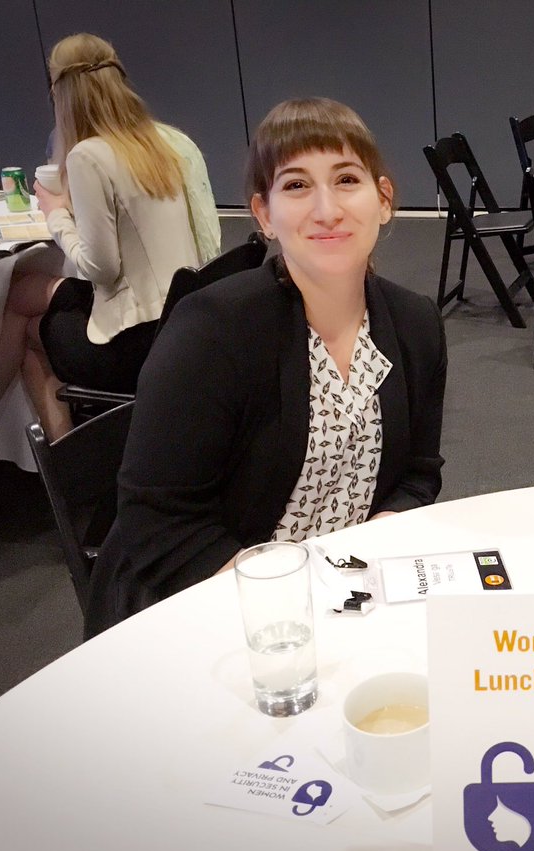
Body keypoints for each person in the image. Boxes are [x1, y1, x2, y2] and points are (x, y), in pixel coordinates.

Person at [87, 98, 447, 636]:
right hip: (206, 604)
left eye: (347, 179)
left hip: (342, 598)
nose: (327, 209)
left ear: (384, 200)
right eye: (297, 185)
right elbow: (159, 522)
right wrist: (289, 605)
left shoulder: (416, 324)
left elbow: (418, 474)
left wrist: (373, 552)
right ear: (264, 215)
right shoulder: (212, 331)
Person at [0, 32, 219, 440]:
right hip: (180, 320)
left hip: (136, 343)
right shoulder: (160, 141)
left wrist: (56, 215)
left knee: (29, 331)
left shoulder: (88, 156)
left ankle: (55, 458)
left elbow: (101, 269)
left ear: (62, 95)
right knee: (23, 293)